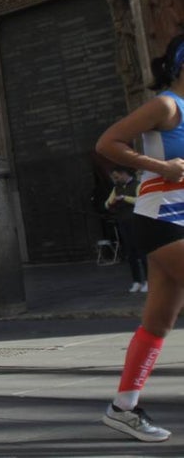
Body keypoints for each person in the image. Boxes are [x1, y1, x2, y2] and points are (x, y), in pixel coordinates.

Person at [95, 33, 184, 443]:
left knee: (159, 321)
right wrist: (160, 166)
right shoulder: (166, 105)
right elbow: (108, 142)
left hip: (178, 217)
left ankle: (123, 408)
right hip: (161, 217)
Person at [106, 167, 149, 292]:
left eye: (117, 176)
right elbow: (107, 203)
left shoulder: (137, 185)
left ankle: (148, 280)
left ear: (124, 174)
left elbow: (141, 200)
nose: (116, 179)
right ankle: (136, 281)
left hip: (136, 221)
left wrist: (124, 198)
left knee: (141, 252)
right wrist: (111, 202)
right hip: (123, 222)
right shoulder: (116, 188)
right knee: (130, 253)